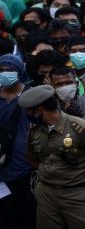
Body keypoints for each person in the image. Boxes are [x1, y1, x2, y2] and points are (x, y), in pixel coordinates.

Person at [19, 85, 85, 228]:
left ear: (39, 110)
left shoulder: (81, 128)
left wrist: (79, 177)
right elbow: (31, 159)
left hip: (78, 195)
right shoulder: (35, 130)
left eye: (28, 111)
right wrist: (51, 173)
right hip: (47, 194)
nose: (26, 115)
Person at [0, 54, 35, 229]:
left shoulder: (32, 96)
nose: (5, 74)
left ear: (19, 71)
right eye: (1, 70)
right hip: (2, 165)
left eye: (10, 70)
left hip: (25, 164)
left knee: (25, 213)